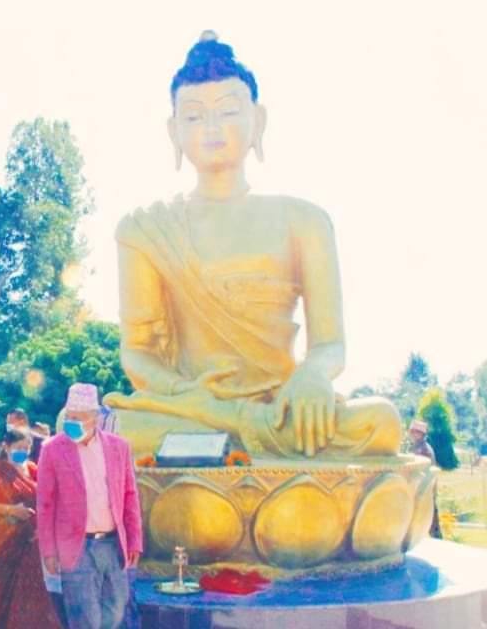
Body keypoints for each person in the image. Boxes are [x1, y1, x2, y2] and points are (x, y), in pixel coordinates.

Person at [102, 31, 403, 460]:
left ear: (257, 121)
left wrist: (312, 376)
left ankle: (238, 447)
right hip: (190, 408)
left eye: (227, 111)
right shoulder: (144, 228)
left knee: (381, 422)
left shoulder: (304, 220)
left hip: (282, 406)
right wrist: (187, 394)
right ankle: (260, 454)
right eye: (192, 116)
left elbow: (330, 344)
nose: (211, 128)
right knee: (113, 431)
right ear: (173, 131)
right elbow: (138, 350)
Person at [37, 383, 143, 629]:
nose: (71, 422)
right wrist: (49, 552)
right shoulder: (52, 450)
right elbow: (45, 506)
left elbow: (130, 496)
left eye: (78, 418)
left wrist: (134, 539)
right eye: (69, 417)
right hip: (76, 547)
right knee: (85, 619)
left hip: (113, 543)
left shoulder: (119, 448)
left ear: (95, 418)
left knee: (115, 611)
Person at [0, 428, 62, 629]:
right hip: (7, 544)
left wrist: (44, 529)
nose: (22, 451)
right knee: (5, 598)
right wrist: (11, 510)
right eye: (18, 447)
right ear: (6, 446)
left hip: (33, 543)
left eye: (26, 447)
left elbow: (50, 498)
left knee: (34, 600)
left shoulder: (32, 468)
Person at [408, 419, 443, 538]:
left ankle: (436, 538)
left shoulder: (423, 449)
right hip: (421, 487)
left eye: (416, 432)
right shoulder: (416, 447)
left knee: (428, 514)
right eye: (412, 432)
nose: (413, 434)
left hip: (424, 487)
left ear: (421, 434)